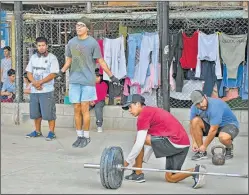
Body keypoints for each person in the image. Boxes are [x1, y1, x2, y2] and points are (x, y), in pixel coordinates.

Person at [122, 94, 206, 189]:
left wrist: (126, 163)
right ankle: (195, 171)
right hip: (183, 145)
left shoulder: (143, 115)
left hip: (175, 142)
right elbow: (152, 139)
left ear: (137, 104)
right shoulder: (150, 111)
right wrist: (140, 162)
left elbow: (140, 143)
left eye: (130, 107)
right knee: (170, 178)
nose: (129, 110)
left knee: (139, 139)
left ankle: (137, 174)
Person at [58, 17, 119, 148]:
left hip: (87, 81)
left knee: (85, 109)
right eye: (77, 25)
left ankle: (86, 136)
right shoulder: (71, 42)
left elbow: (100, 61)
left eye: (81, 25)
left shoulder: (92, 43)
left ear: (87, 28)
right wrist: (61, 72)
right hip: (74, 80)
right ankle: (79, 136)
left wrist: (111, 75)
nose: (78, 27)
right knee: (76, 109)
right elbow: (68, 60)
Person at [25, 37, 60, 141]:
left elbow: (53, 74)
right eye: (39, 45)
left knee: (49, 113)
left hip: (47, 90)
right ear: (36, 46)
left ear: (47, 46)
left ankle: (51, 132)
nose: (41, 47)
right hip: (35, 90)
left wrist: (40, 82)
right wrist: (34, 83)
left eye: (43, 45)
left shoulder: (52, 58)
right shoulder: (33, 57)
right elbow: (29, 72)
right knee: (35, 113)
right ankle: (37, 131)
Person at [189, 90, 239, 161]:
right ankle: (201, 153)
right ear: (194, 104)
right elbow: (192, 125)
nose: (201, 105)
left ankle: (229, 147)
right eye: (197, 104)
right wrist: (194, 142)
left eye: (202, 101)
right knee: (195, 121)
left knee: (223, 137)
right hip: (212, 124)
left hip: (229, 125)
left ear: (205, 97)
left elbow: (213, 130)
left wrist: (204, 146)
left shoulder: (215, 106)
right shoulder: (194, 108)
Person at [89, 68, 108, 133]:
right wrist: (90, 101)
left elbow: (101, 95)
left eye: (97, 77)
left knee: (98, 108)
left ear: (101, 77)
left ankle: (99, 126)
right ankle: (82, 125)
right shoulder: (91, 84)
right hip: (91, 101)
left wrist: (95, 101)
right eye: (94, 77)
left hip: (100, 101)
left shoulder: (104, 84)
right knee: (84, 108)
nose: (96, 78)